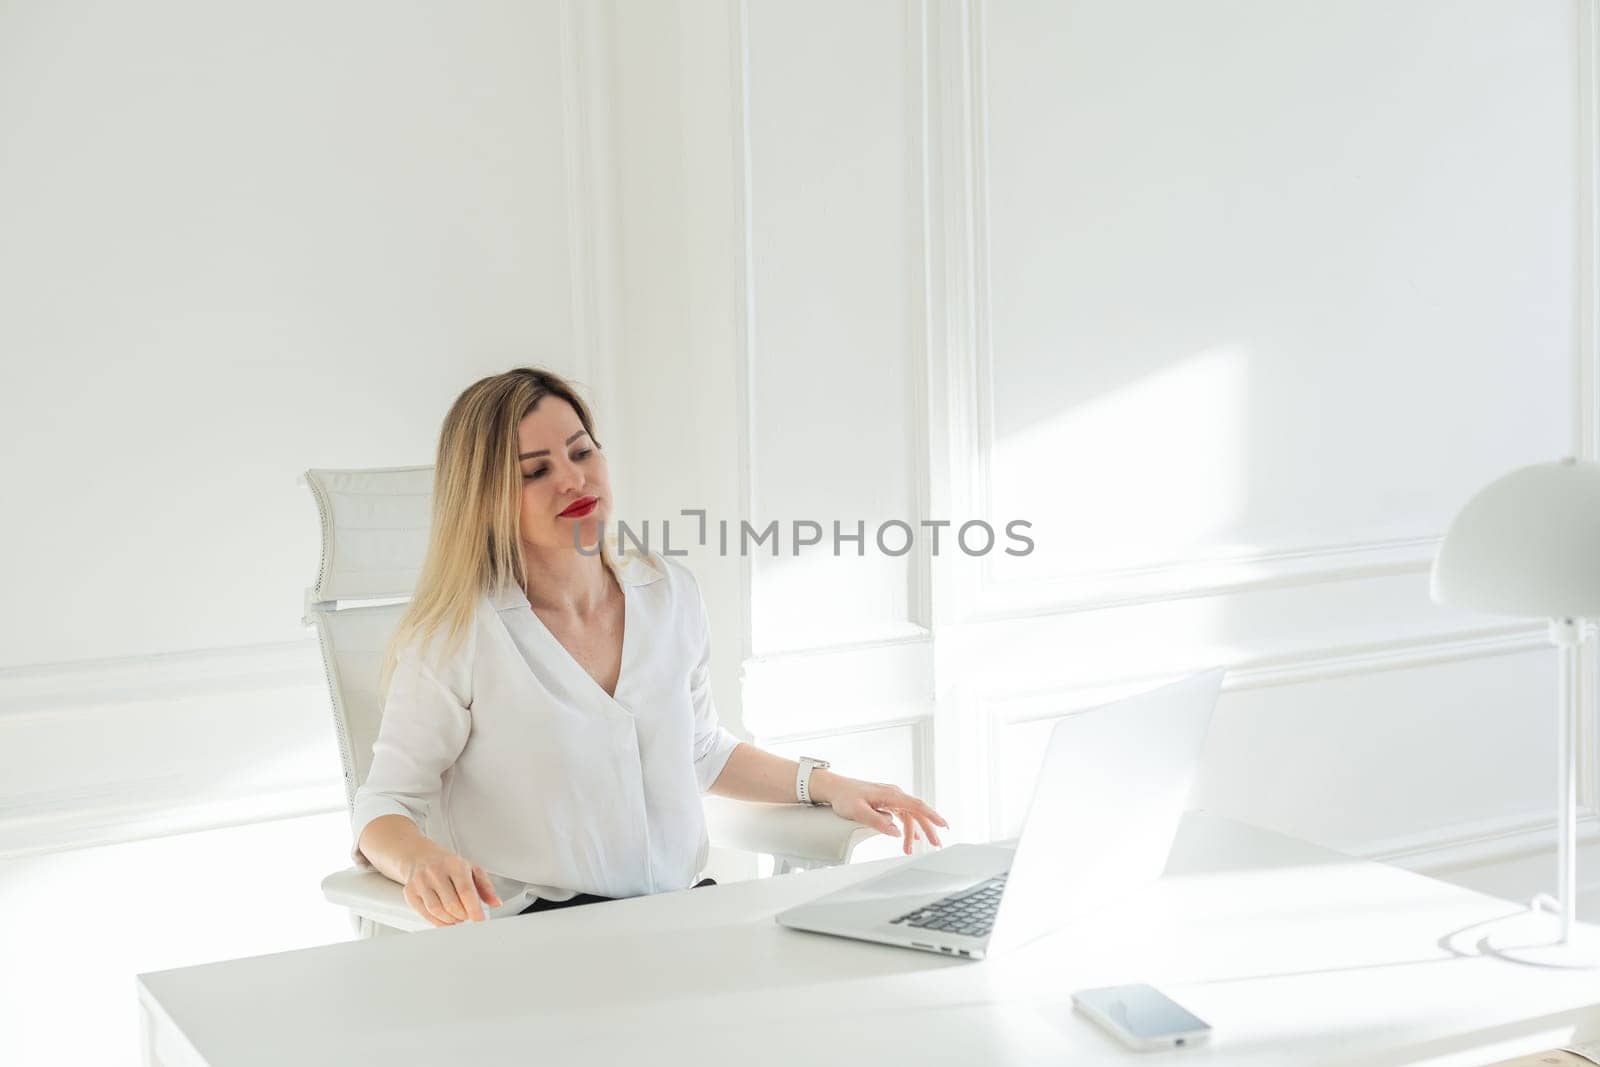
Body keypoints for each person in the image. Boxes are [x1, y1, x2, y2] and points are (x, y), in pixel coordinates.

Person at [352, 366, 949, 927]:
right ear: (486, 500)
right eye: (535, 471)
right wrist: (419, 862)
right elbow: (386, 806)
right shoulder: (456, 636)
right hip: (536, 940)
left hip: (680, 918)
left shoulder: (668, 594)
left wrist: (832, 787)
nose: (573, 479)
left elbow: (701, 750)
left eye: (581, 451)